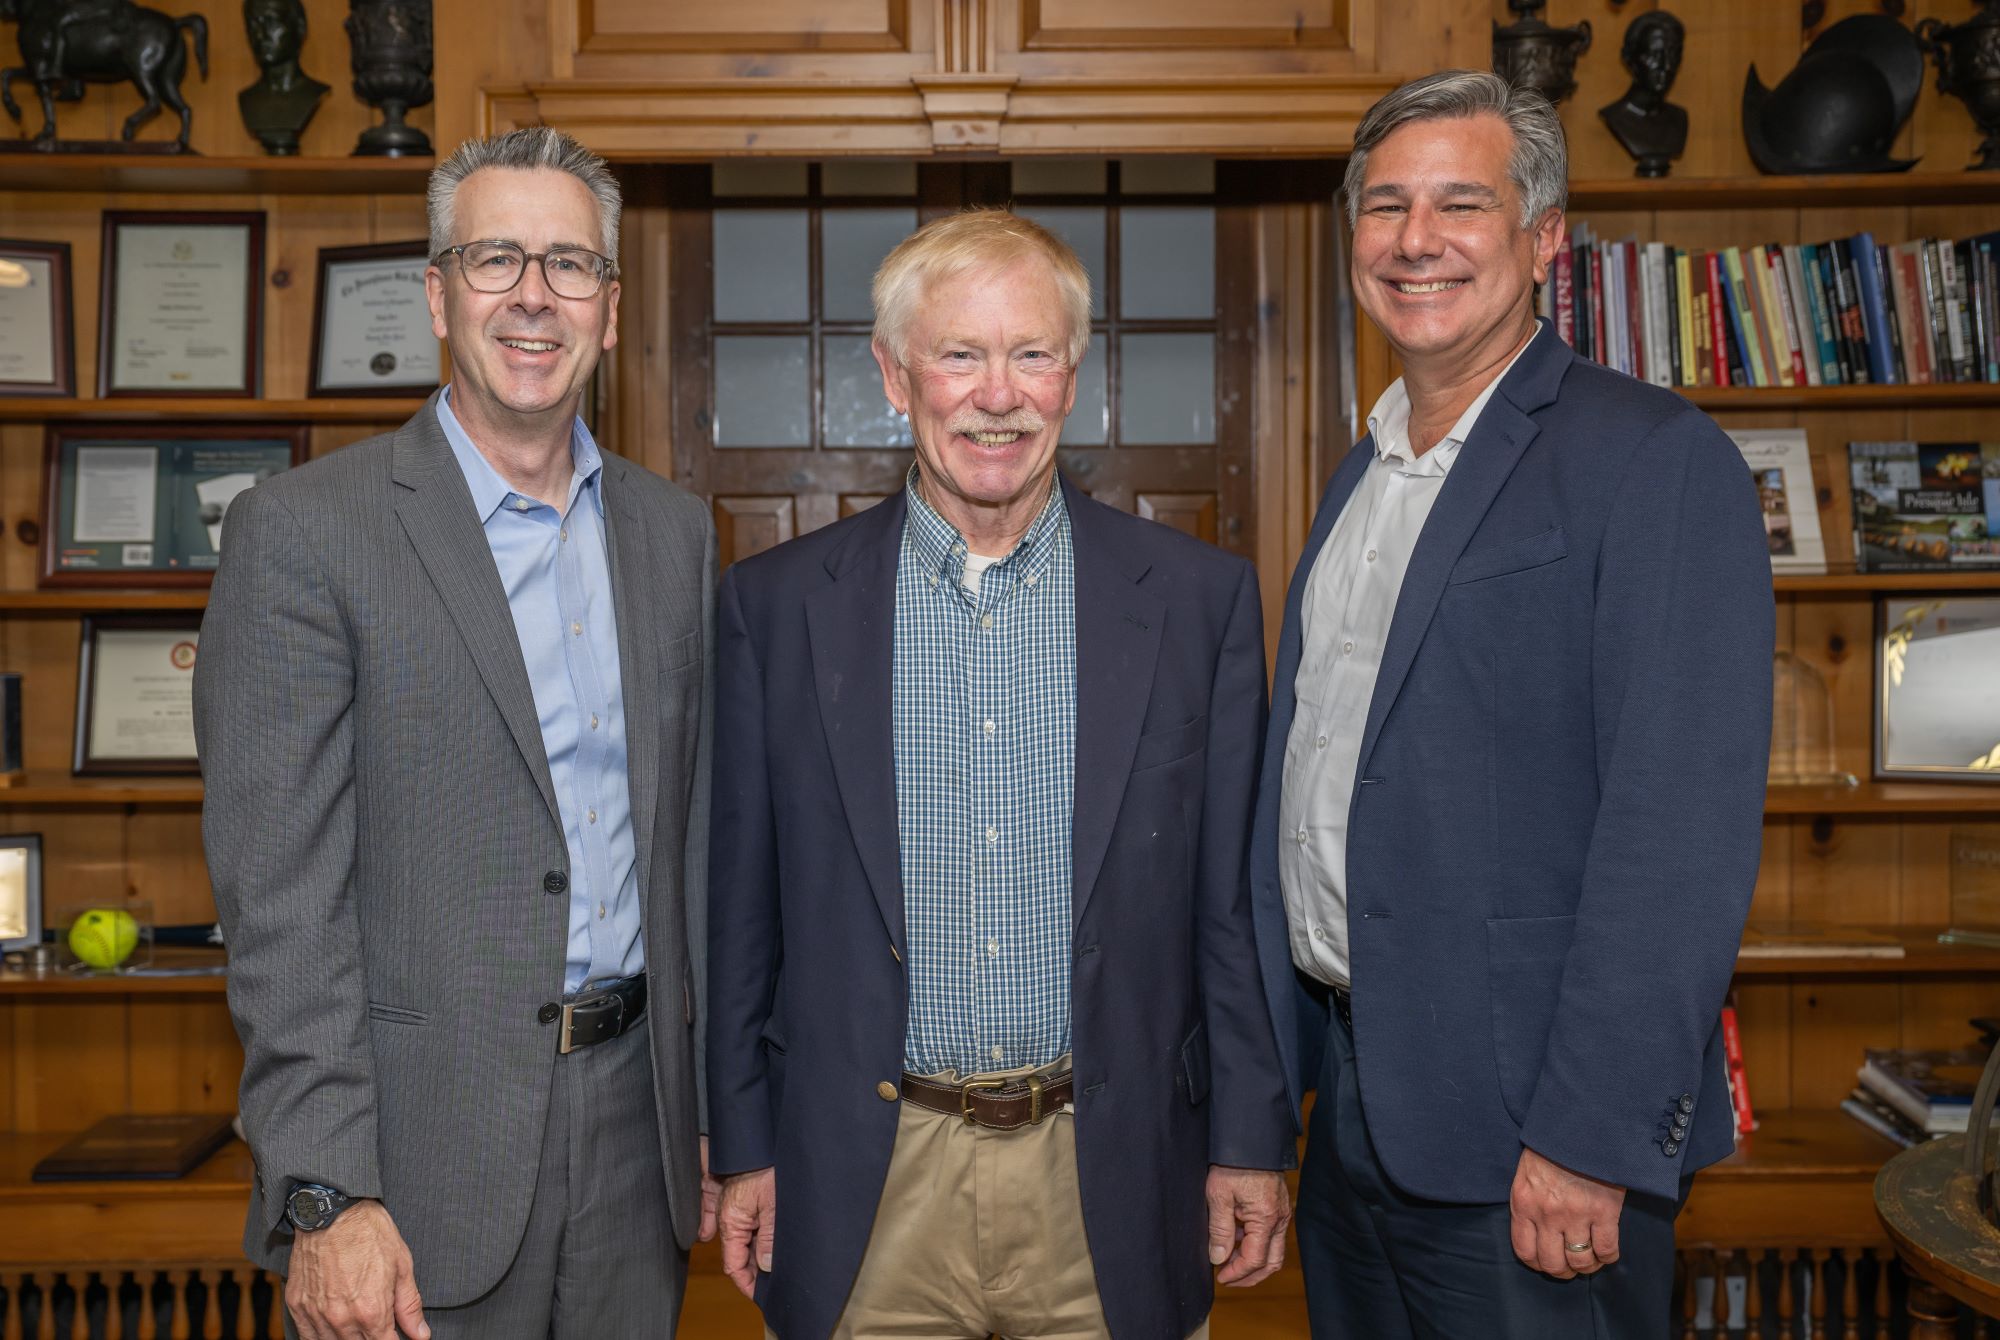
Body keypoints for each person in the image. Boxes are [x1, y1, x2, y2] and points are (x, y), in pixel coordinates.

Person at [1247, 70, 1773, 1338]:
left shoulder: (1653, 460)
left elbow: (1675, 836)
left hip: (1536, 1137)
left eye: (1457, 204)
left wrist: (1590, 1136)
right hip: (1357, 1106)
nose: (1413, 239)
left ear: (1542, 239)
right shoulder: (1362, 475)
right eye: (1383, 208)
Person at [707, 209, 1295, 1340]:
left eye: (1030, 353)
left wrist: (1249, 1139)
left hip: (1113, 1171)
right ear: (893, 373)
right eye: (958, 354)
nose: (997, 394)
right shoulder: (775, 608)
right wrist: (742, 1145)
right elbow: (743, 909)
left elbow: (1230, 907)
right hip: (866, 1182)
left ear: (1074, 376)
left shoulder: (1195, 602)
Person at [196, 126, 718, 1340]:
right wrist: (329, 1191)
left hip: (637, 1144)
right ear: (437, 294)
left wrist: (710, 1113)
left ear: (610, 306)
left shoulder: (672, 534)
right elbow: (281, 905)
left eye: (569, 265)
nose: (533, 296)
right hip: (415, 1156)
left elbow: (690, 840)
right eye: (495, 259)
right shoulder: (304, 532)